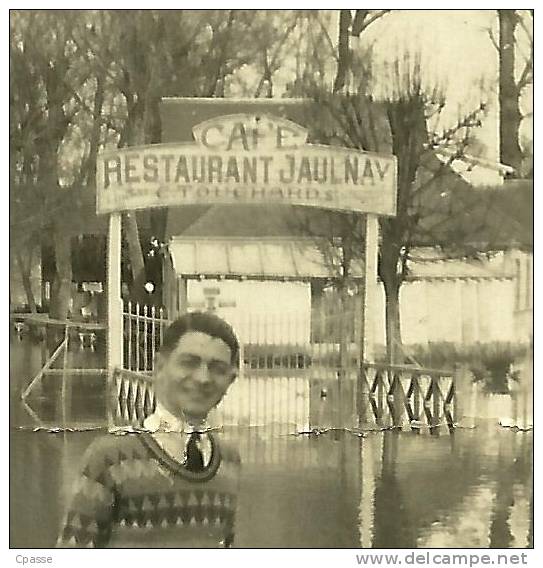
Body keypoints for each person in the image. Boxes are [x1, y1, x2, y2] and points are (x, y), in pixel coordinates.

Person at [56, 312, 241, 548]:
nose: (203, 378)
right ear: (160, 367)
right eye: (189, 363)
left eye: (217, 368)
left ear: (231, 380)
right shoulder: (110, 458)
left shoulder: (229, 460)